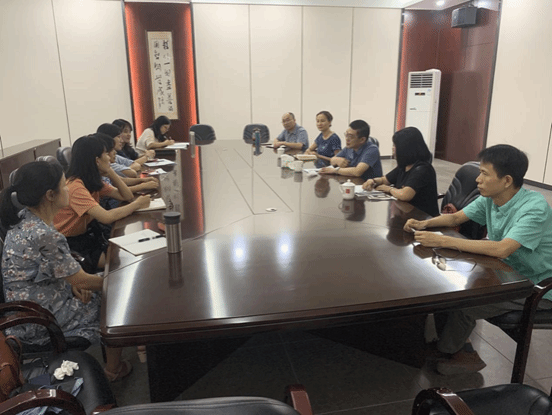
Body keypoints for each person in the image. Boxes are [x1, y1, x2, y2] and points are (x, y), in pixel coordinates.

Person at [404, 144, 552, 375]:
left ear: (506, 180)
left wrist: (442, 241)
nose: (477, 179)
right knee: (446, 286)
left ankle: (459, 353)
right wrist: (423, 224)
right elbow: (455, 219)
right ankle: (451, 345)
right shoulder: (491, 198)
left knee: (467, 301)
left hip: (536, 285)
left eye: (484, 173)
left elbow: (502, 249)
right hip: (506, 271)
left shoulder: (534, 208)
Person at [1, 161, 132, 381]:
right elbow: (83, 281)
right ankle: (113, 370)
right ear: (50, 195)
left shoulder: (27, 218)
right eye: (64, 185)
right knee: (115, 297)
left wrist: (73, 284)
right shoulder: (44, 234)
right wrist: (124, 280)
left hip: (30, 310)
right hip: (40, 321)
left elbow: (55, 271)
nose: (69, 189)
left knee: (106, 284)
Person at [54, 135, 150, 273]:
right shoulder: (75, 187)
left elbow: (126, 195)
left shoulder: (91, 181)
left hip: (88, 235)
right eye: (105, 153)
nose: (109, 157)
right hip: (69, 243)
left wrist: (110, 171)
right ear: (97, 160)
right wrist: (137, 204)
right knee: (117, 263)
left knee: (122, 254)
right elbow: (106, 217)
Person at [362, 127, 439, 217]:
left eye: (395, 146)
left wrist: (389, 189)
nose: (393, 149)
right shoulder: (404, 166)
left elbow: (405, 195)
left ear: (405, 148)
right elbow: (385, 180)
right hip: (407, 214)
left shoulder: (423, 169)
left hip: (423, 217)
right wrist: (373, 181)